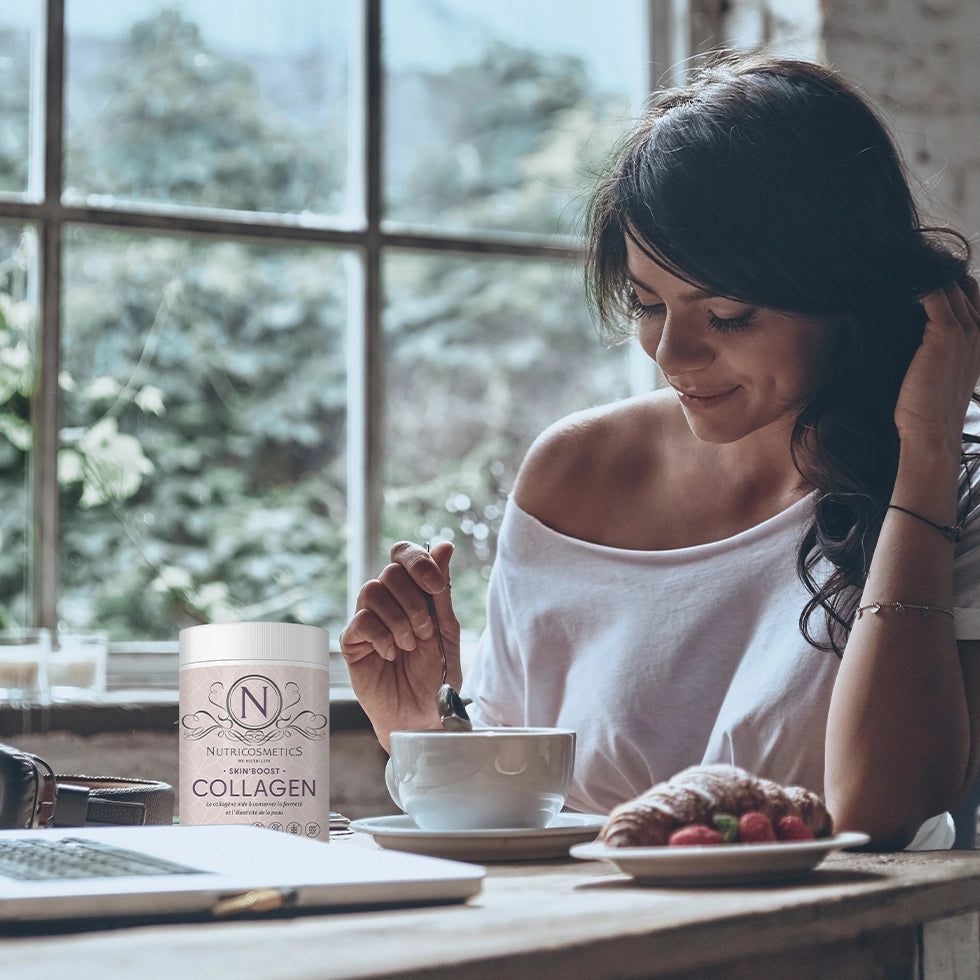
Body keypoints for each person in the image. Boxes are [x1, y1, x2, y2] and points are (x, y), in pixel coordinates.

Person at [340, 52, 980, 851]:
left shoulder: (949, 486)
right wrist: (420, 724)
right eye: (649, 305)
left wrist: (925, 452)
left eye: (729, 315)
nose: (672, 355)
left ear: (846, 292)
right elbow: (521, 820)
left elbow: (880, 810)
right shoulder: (574, 475)